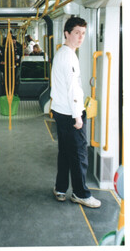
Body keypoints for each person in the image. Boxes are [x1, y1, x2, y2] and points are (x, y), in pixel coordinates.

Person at [50, 16, 101, 208]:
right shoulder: (69, 56)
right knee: (79, 154)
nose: (80, 38)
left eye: (83, 34)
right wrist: (78, 116)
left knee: (64, 152)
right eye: (77, 33)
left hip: (61, 111)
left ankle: (61, 188)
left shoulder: (61, 53)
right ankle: (80, 194)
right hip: (71, 113)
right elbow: (72, 88)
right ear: (67, 33)